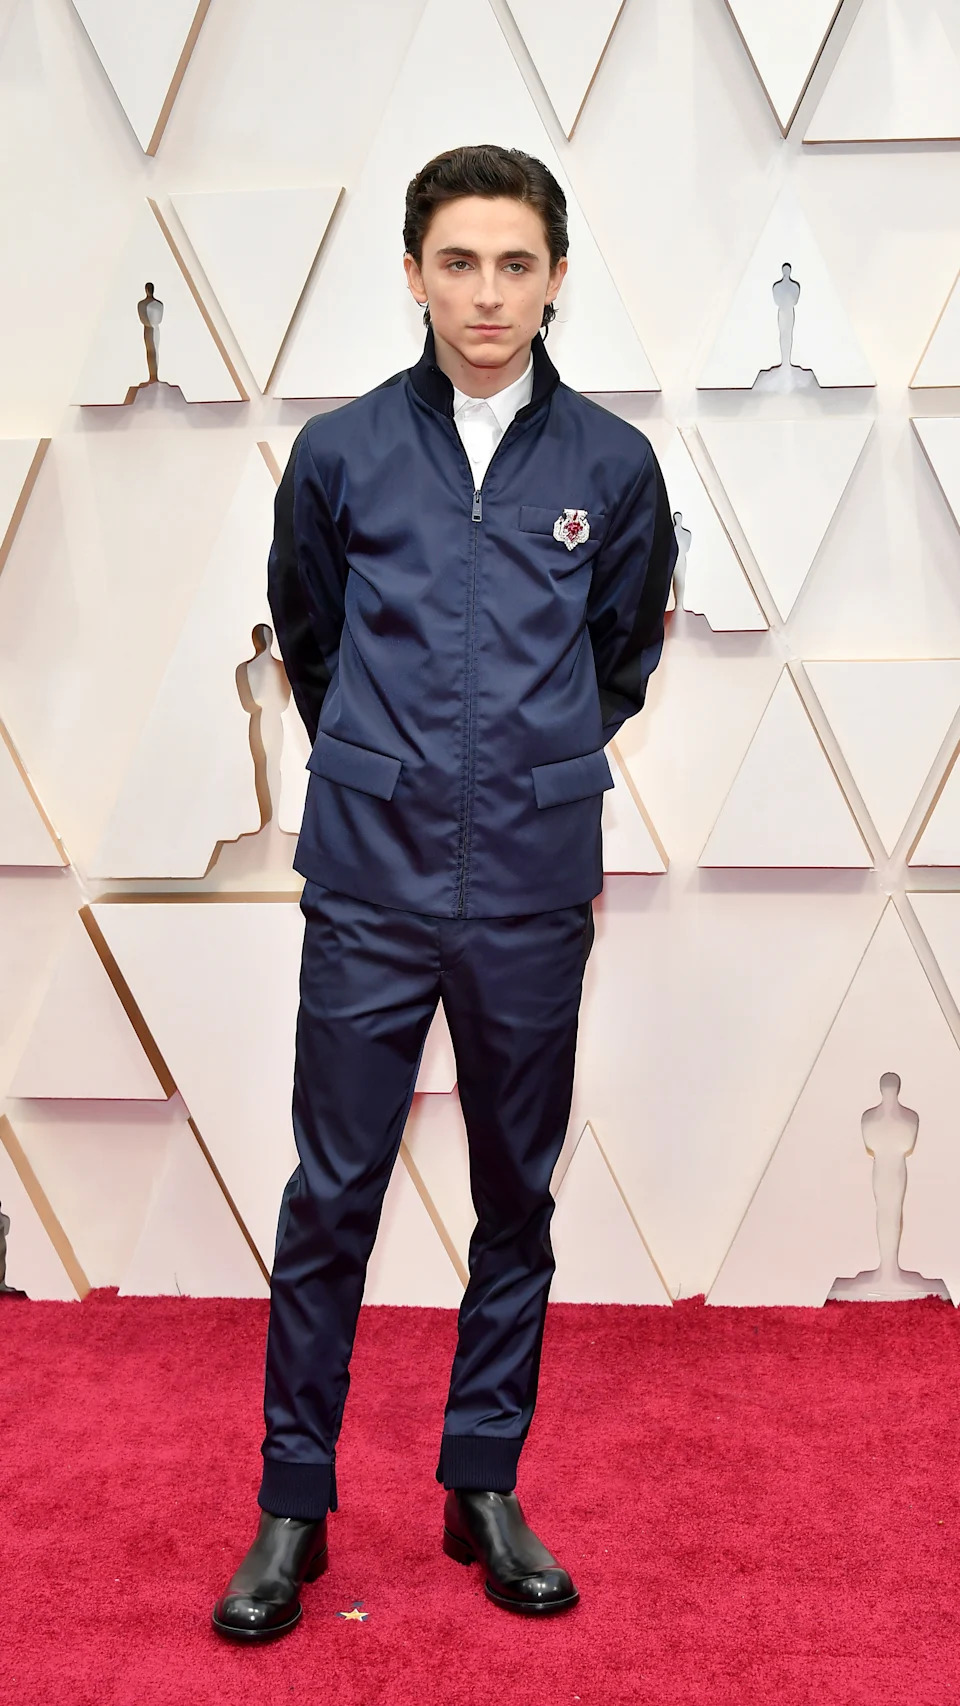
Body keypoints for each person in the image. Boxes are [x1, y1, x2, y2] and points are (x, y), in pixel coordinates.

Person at [212, 143, 677, 1643]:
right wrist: (395, 759)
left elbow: (618, 660)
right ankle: (295, 1501)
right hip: (368, 873)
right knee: (330, 1191)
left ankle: (483, 1481)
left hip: (534, 879)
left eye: (516, 264)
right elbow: (311, 626)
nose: (488, 294)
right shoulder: (342, 452)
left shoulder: (612, 465)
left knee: (513, 1194)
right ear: (413, 274)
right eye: (459, 263)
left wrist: (518, 767)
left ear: (553, 278)